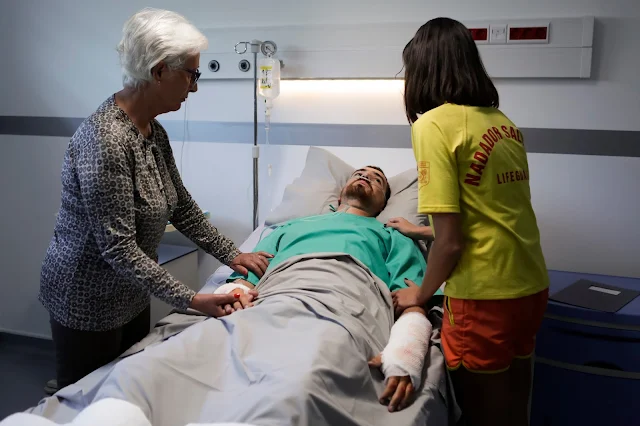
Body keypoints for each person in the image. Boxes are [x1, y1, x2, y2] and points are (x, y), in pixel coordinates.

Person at [38, 8, 271, 394]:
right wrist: (192, 300)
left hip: (130, 292)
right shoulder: (106, 141)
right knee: (87, 401)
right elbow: (118, 248)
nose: (194, 87)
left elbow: (180, 205)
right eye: (191, 74)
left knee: (128, 388)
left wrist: (232, 254)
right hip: (86, 300)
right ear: (159, 71)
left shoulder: (152, 131)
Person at [392, 17, 550, 426]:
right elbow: (490, 215)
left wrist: (420, 295)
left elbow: (451, 244)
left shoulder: (432, 125)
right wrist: (420, 229)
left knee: (481, 415)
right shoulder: (503, 123)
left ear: (422, 70)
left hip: (483, 296)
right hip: (530, 284)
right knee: (515, 407)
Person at [222, 165, 443, 412]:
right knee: (219, 348)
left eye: (377, 180)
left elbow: (412, 300)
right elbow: (244, 280)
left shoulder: (393, 235)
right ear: (339, 195)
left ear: (382, 205)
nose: (365, 176)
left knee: (313, 369)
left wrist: (407, 350)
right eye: (359, 173)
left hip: (347, 302)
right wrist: (233, 295)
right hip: (278, 293)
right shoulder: (287, 228)